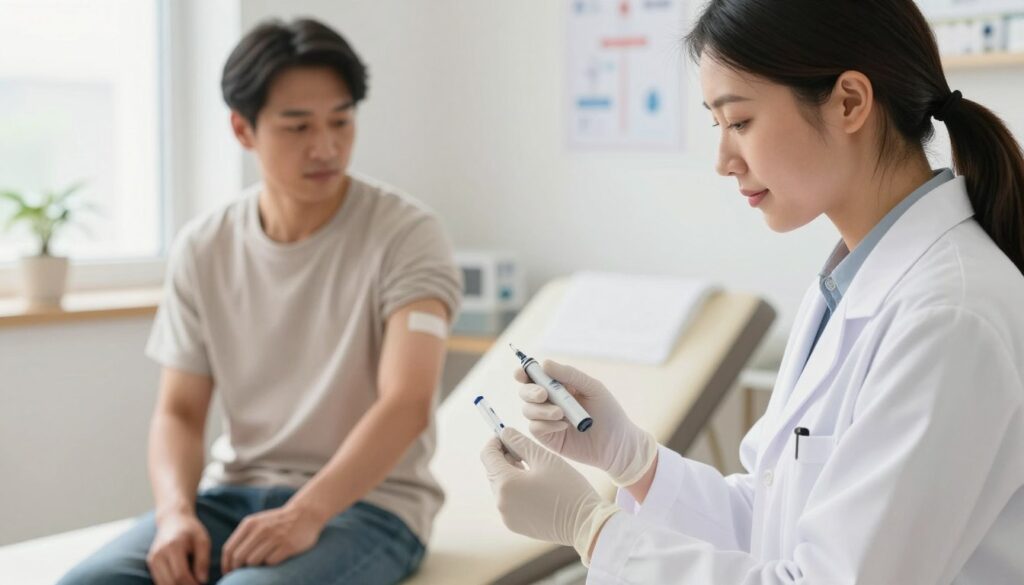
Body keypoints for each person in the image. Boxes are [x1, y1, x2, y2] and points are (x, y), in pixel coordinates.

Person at [480, 1, 1024, 583]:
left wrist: (591, 529)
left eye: (738, 122)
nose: (722, 161)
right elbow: (773, 523)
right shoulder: (846, 288)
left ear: (850, 102)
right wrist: (633, 461)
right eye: (719, 127)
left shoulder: (949, 317)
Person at [59, 17, 460, 585]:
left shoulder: (408, 234)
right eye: (297, 127)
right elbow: (178, 411)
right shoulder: (204, 245)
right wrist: (175, 514)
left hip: (369, 507)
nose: (326, 146)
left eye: (341, 121)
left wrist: (306, 512)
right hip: (231, 496)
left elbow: (408, 401)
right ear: (243, 131)